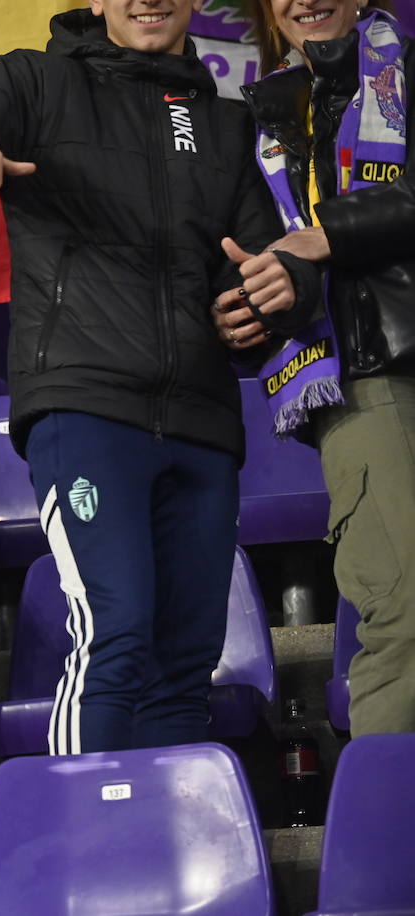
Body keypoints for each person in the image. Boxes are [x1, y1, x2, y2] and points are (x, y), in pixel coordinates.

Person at [0, 0, 317, 754]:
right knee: (116, 635)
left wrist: (263, 308)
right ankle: (82, 851)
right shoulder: (40, 83)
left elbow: (262, 262)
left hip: (201, 427)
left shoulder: (223, 123)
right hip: (85, 412)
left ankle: (153, 860)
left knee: (184, 667)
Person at [216, 0, 415, 735]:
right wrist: (240, 308)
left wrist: (323, 238)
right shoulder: (260, 122)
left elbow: (311, 243)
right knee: (408, 613)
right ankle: (394, 835)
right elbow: (252, 260)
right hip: (366, 383)